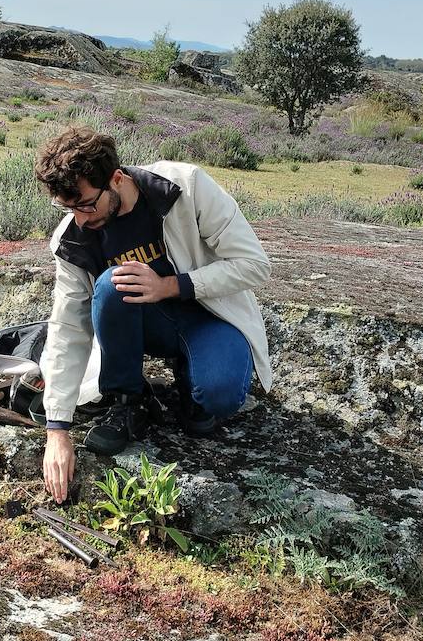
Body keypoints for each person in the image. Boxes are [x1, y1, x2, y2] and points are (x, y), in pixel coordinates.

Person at [34, 127, 273, 502]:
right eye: (69, 208)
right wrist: (57, 430)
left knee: (220, 397)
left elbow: (254, 265)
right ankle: (128, 400)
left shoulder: (185, 187)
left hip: (208, 317)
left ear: (116, 179)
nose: (79, 219)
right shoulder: (75, 238)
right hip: (146, 324)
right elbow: (67, 326)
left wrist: (170, 286)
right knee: (113, 284)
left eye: (85, 204)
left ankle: (190, 378)